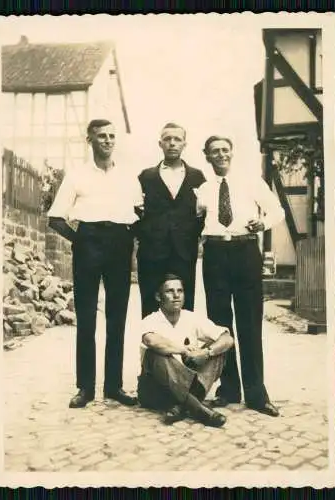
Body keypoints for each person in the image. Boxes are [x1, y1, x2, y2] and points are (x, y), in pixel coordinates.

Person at [47, 119, 140, 408]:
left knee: (117, 317)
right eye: (102, 136)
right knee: (86, 318)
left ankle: (114, 386)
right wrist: (80, 241)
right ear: (90, 140)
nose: (108, 140)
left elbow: (140, 213)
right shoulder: (77, 175)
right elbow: (55, 218)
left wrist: (128, 239)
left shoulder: (128, 176)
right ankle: (85, 387)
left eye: (112, 136)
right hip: (88, 241)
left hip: (119, 244)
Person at [196, 135, 285, 417]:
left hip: (245, 251)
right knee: (221, 325)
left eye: (225, 150)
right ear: (207, 156)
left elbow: (277, 210)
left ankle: (257, 394)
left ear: (232, 153)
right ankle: (229, 389)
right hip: (214, 255)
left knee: (249, 322)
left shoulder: (251, 181)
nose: (221, 155)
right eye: (215, 151)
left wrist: (263, 222)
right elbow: (195, 219)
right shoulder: (202, 189)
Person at [138, 274, 234, 427]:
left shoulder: (192, 318)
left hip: (189, 383)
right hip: (156, 390)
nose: (176, 295)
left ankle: (181, 406)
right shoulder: (150, 320)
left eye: (180, 291)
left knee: (218, 348)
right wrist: (183, 350)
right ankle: (199, 410)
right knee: (156, 353)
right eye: (170, 291)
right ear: (158, 296)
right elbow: (151, 340)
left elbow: (228, 339)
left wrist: (206, 352)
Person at [136, 123, 206, 318]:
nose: (172, 143)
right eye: (167, 139)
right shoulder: (146, 176)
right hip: (151, 254)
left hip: (184, 253)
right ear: (160, 143)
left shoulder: (197, 177)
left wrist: (191, 236)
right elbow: (134, 213)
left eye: (177, 139)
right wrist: (147, 236)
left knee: (184, 307)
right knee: (151, 307)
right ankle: (154, 348)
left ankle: (183, 348)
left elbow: (203, 213)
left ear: (185, 144)